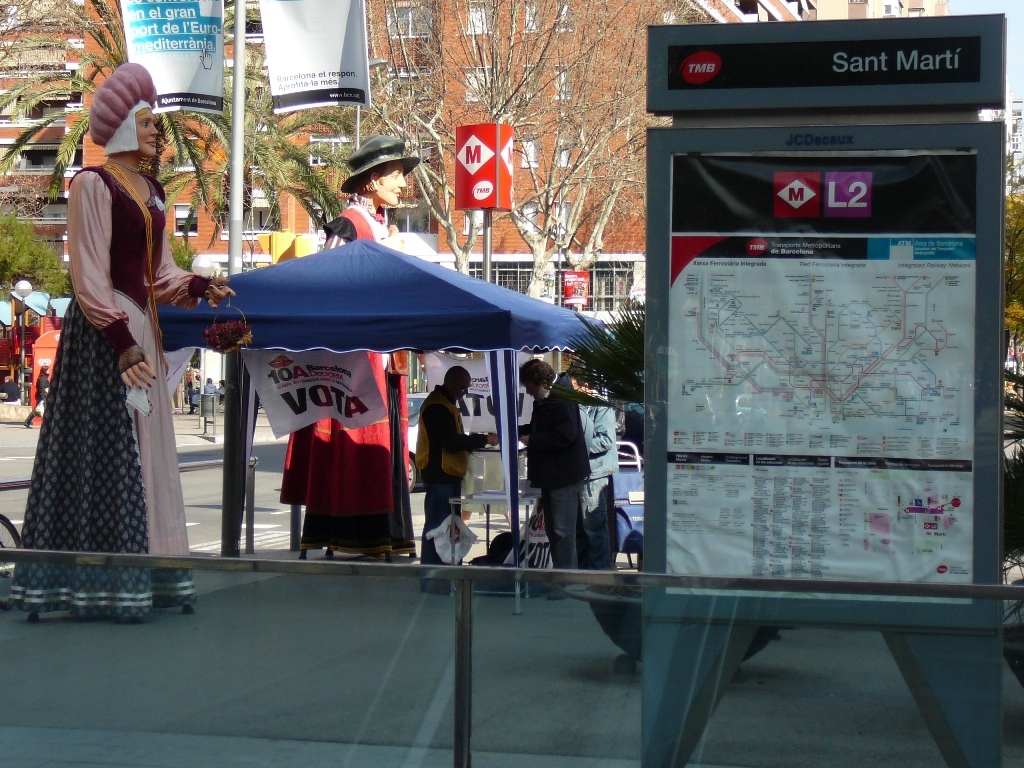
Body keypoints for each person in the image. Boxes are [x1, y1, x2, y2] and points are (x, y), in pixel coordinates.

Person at [10, 63, 234, 622]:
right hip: (106, 336)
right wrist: (119, 339)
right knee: (108, 451)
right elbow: (88, 272)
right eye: (148, 121)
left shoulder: (154, 192)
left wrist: (199, 286)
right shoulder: (94, 184)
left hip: (141, 329)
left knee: (144, 450)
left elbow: (160, 274)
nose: (158, 131)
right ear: (125, 127)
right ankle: (100, 584)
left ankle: (146, 574)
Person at [281, 135, 421, 560]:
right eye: (396, 175)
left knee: (384, 443)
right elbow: (331, 287)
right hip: (357, 360)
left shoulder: (380, 227)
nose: (403, 183)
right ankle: (354, 533)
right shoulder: (348, 225)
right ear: (372, 181)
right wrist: (386, 253)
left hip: (384, 356)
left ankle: (385, 534)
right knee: (356, 443)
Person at [415, 366, 497, 587]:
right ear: (450, 383)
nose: (464, 392)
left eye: (467, 388)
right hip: (440, 474)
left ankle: (446, 574)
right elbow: (450, 442)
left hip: (448, 474)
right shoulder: (437, 406)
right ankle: (432, 578)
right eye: (462, 387)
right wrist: (484, 440)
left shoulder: (446, 403)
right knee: (437, 528)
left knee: (448, 527)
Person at [518, 360, 589, 576]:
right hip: (552, 473)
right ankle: (561, 576)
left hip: (563, 474)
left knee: (562, 532)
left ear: (543, 383)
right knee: (554, 530)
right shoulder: (547, 397)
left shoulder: (562, 398)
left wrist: (533, 440)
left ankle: (566, 580)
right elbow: (542, 426)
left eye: (530, 389)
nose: (529, 393)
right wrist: (519, 431)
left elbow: (565, 435)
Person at [569, 372, 618, 570]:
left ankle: (600, 575)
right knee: (579, 530)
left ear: (586, 386)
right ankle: (584, 574)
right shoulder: (575, 405)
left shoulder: (600, 406)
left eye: (573, 386)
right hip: (579, 473)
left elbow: (606, 440)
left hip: (595, 475)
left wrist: (577, 447)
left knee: (594, 529)